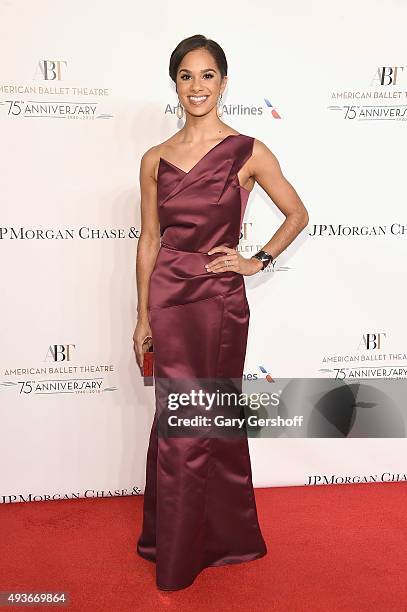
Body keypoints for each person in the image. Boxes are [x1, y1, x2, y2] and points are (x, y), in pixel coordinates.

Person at [133, 34, 309, 591]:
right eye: (186, 76)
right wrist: (141, 316)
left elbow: (297, 214)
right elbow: (148, 239)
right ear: (175, 85)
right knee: (175, 422)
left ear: (224, 82)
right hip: (168, 297)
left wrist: (255, 261)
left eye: (207, 75)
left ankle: (213, 541)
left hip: (217, 303)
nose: (197, 87)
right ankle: (172, 539)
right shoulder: (154, 159)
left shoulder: (248, 151)